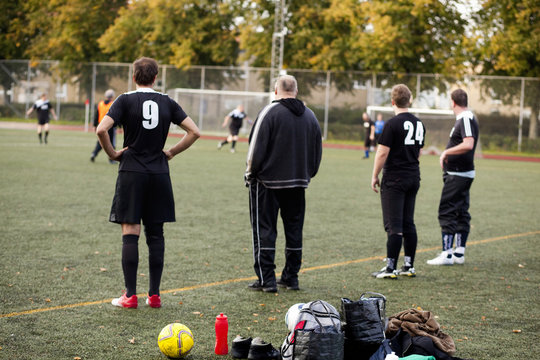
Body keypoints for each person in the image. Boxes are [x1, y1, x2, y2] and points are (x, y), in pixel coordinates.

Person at [96, 57, 200, 308]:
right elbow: (194, 132)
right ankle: (154, 296)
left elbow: (101, 130)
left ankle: (130, 296)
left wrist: (112, 154)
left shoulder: (124, 100)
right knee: (156, 235)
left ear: (134, 77)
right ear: (155, 78)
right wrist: (172, 152)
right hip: (159, 174)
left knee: (131, 231)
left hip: (131, 172)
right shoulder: (167, 101)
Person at [245, 75, 322, 292]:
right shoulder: (310, 116)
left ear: (275, 90)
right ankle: (291, 277)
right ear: (296, 91)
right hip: (298, 182)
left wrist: (250, 173)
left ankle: (266, 279)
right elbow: (317, 151)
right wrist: (308, 173)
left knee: (264, 229)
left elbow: (255, 147)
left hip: (267, 183)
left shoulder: (269, 112)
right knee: (294, 229)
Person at [371, 84, 425, 279]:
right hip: (413, 175)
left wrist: (375, 174)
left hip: (395, 178)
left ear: (392, 102)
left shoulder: (392, 124)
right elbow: (418, 151)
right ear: (409, 100)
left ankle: (390, 268)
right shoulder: (419, 123)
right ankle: (408, 265)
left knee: (394, 225)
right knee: (408, 222)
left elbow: (383, 152)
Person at [427, 89, 479, 266]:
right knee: (461, 210)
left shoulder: (465, 118)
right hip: (463, 173)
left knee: (447, 211)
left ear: (453, 102)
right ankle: (458, 253)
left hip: (458, 174)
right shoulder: (467, 117)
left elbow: (468, 143)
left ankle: (447, 254)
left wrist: (446, 152)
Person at [90, 89, 117, 163]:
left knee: (100, 142)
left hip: (101, 125)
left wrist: (95, 125)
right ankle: (111, 159)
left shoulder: (100, 104)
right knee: (111, 142)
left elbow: (97, 115)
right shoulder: (113, 104)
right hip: (110, 126)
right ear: (112, 96)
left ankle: (94, 153)